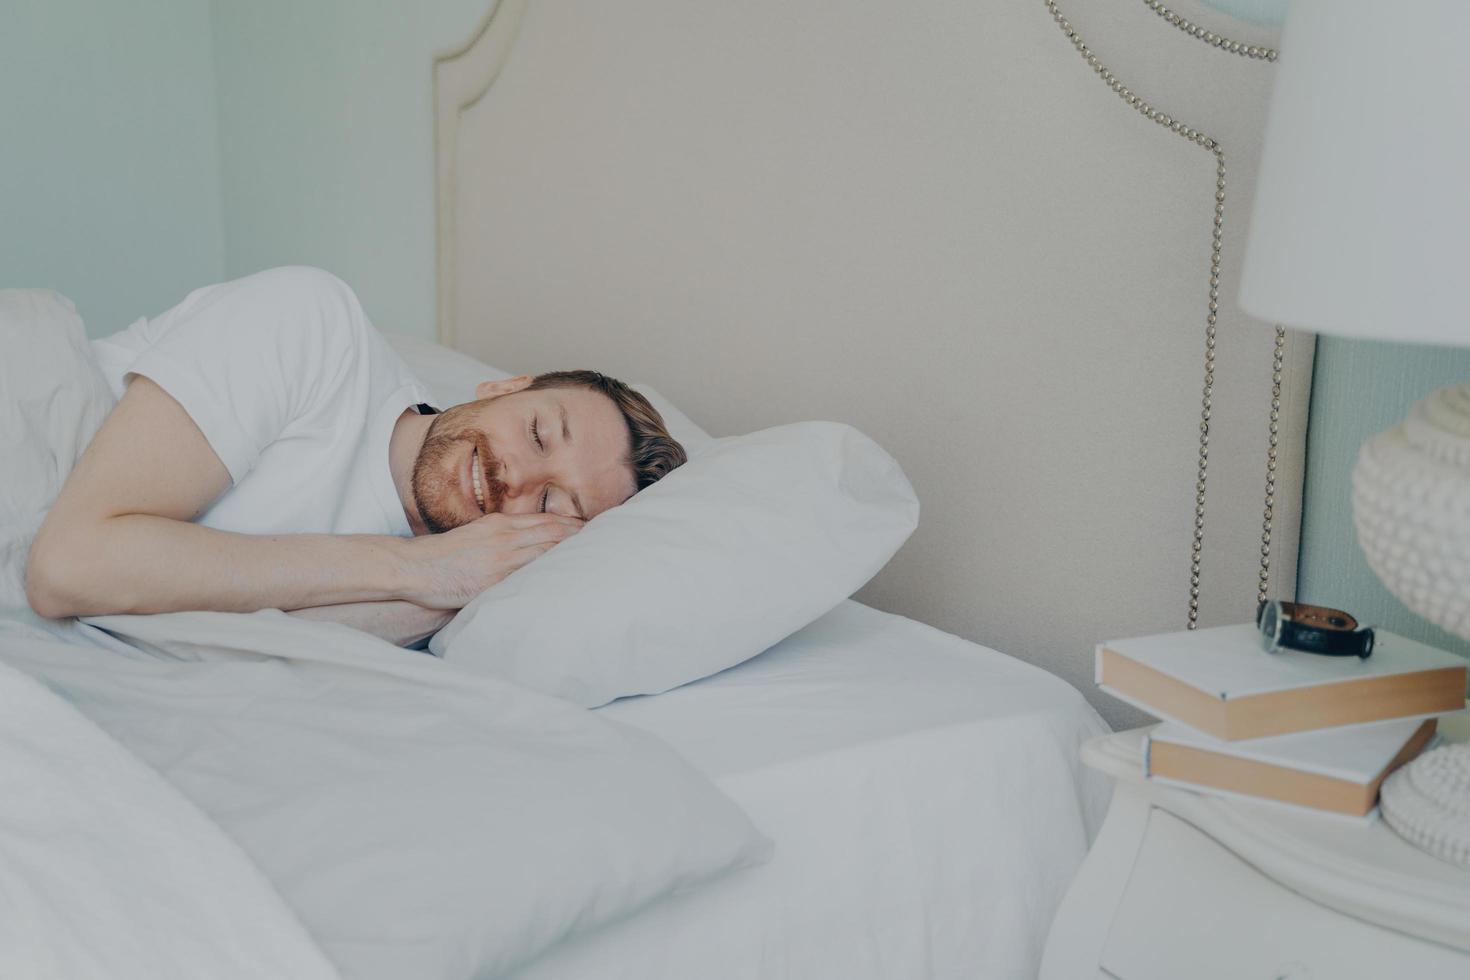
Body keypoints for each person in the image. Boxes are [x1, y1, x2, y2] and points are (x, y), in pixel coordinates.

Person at [24, 266, 686, 646]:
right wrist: (410, 567)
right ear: (506, 387)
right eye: (539, 433)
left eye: (549, 504)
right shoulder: (314, 325)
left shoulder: (440, 589)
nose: (517, 475)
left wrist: (433, 586)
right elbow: (68, 566)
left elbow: (220, 641)